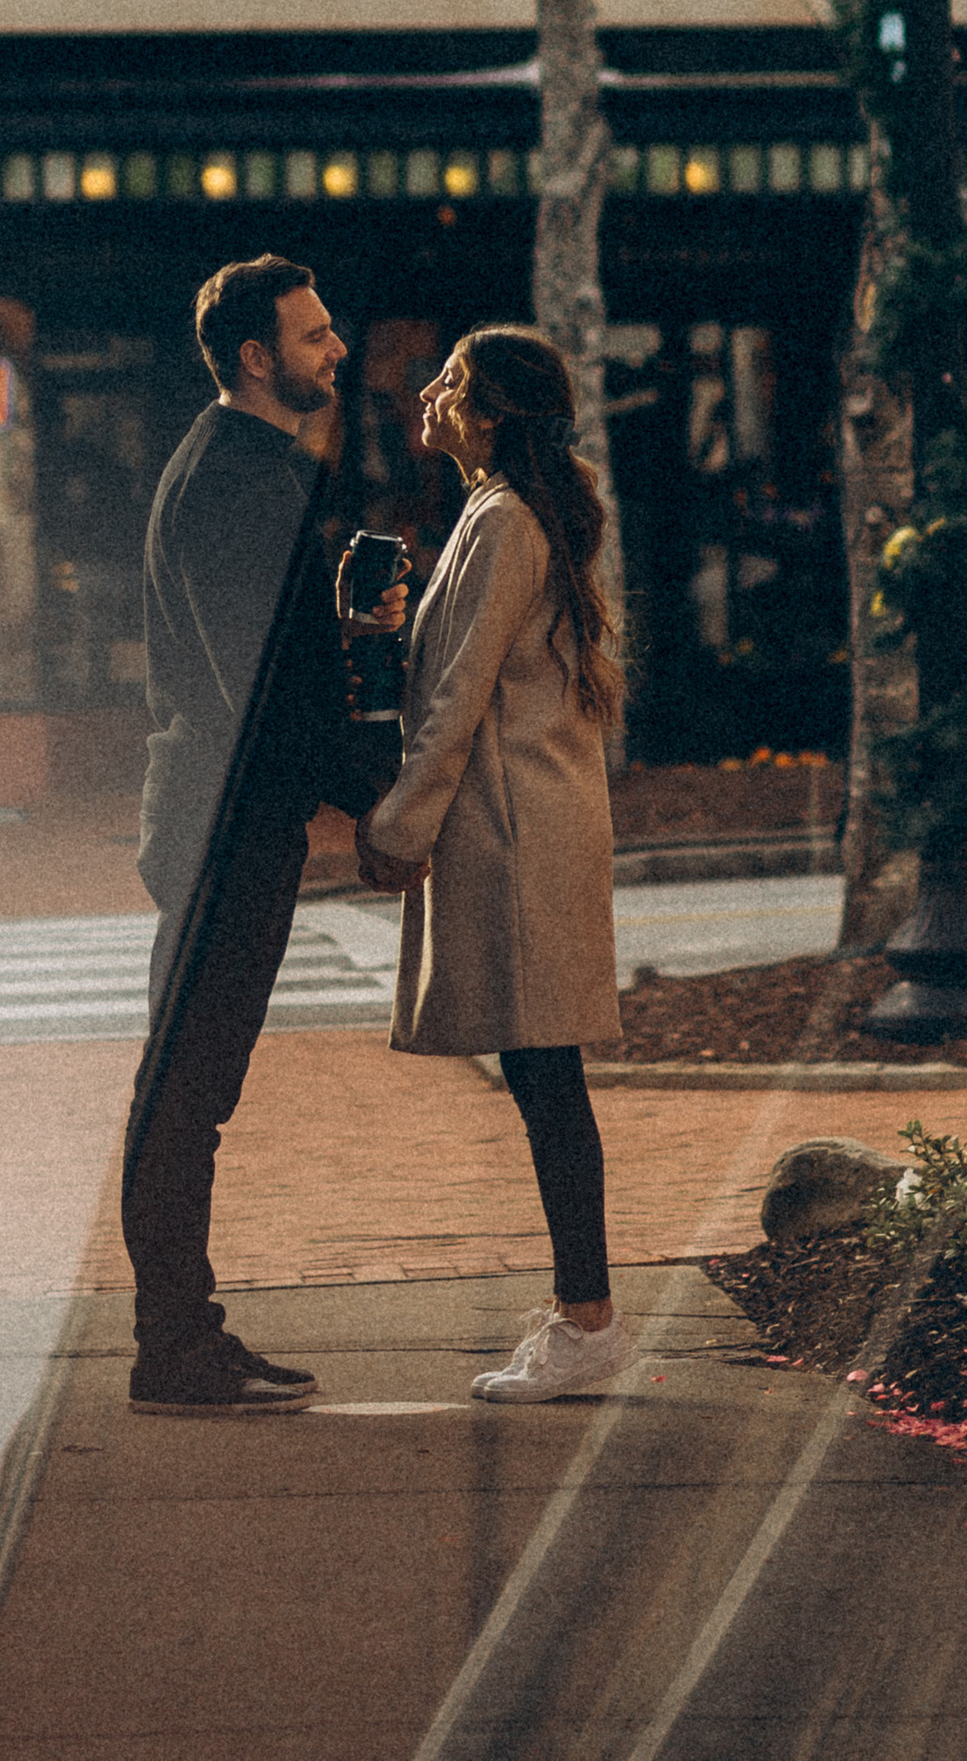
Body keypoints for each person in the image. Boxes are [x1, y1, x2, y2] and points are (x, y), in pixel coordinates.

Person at [120, 254, 396, 1415]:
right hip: (227, 827)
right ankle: (174, 1351)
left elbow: (264, 652)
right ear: (255, 355)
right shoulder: (240, 480)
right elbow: (264, 690)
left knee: (188, 1093)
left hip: (212, 816)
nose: (336, 351)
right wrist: (381, 795)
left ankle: (185, 1335)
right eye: (315, 334)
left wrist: (332, 613)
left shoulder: (238, 467)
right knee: (187, 1097)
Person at [356, 324, 630, 1403]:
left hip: (518, 831)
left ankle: (587, 1322)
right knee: (539, 1072)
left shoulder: (504, 521)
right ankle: (581, 1313)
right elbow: (459, 672)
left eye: (452, 382)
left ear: (493, 414)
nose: (427, 392)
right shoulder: (494, 515)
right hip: (523, 821)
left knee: (545, 1074)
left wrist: (395, 829)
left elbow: (461, 699)